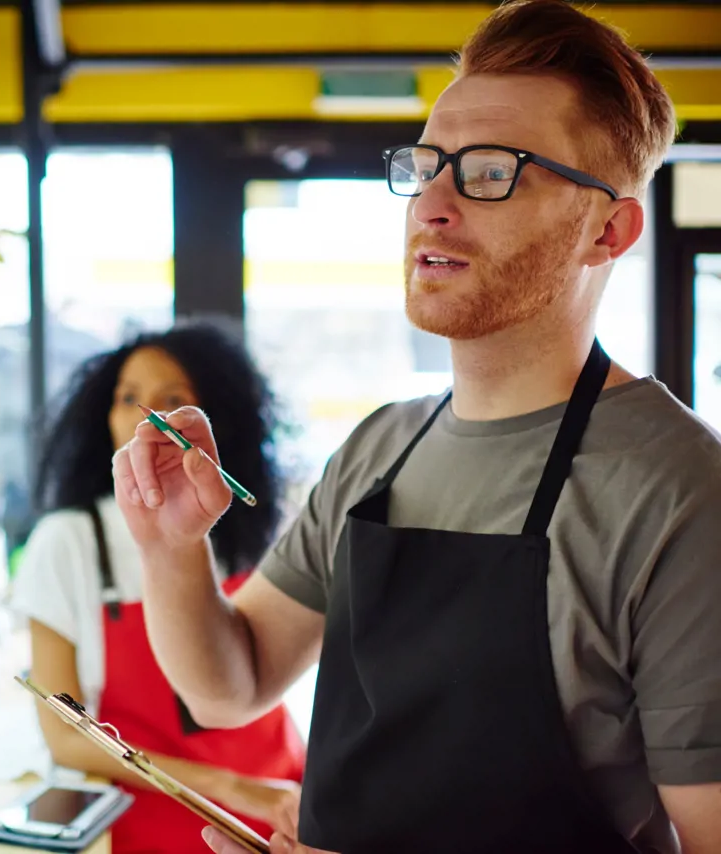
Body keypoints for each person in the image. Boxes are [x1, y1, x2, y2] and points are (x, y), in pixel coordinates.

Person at [113, 2, 721, 853]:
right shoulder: (381, 446)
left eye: (490, 171)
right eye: (427, 164)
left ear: (607, 230)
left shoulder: (680, 490)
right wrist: (172, 547)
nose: (431, 202)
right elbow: (231, 685)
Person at [12, 323, 306, 854]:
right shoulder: (71, 541)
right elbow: (64, 737)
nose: (144, 415)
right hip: (163, 816)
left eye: (172, 400)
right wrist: (232, 790)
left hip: (290, 800)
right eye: (127, 398)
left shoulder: (250, 529)